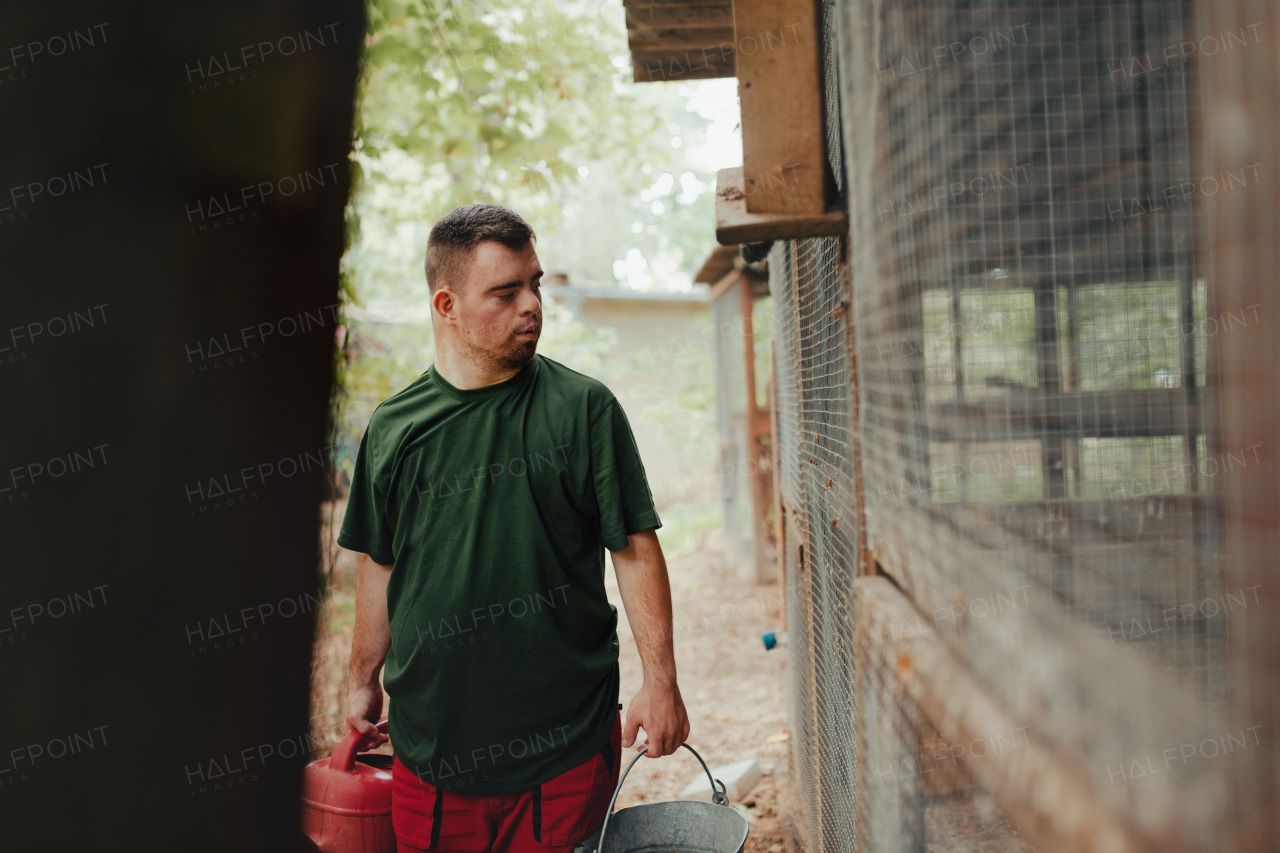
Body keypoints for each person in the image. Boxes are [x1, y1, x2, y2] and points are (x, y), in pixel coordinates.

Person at [338, 203, 690, 853]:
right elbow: (379, 566)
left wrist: (660, 680)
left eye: (536, 283)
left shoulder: (583, 409)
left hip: (563, 749)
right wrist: (362, 677)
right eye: (506, 291)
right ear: (446, 305)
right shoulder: (393, 429)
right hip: (431, 753)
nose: (532, 304)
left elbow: (635, 547)